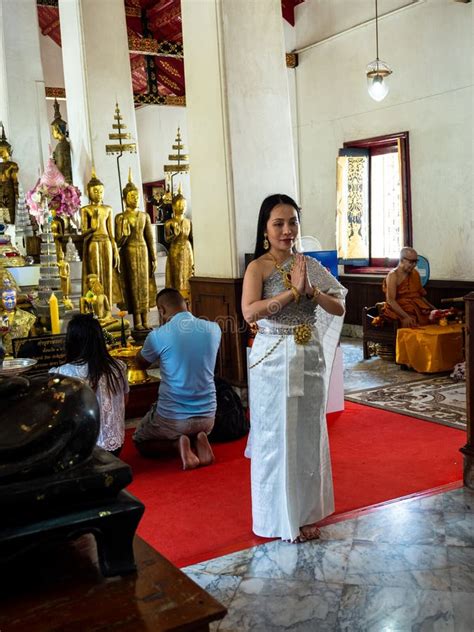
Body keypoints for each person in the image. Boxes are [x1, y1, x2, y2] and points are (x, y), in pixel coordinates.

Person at [241, 193, 346, 544]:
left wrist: (311, 291)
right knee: (276, 437)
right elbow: (250, 313)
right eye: (279, 224)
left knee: (307, 436)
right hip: (273, 358)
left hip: (308, 354)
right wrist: (291, 294)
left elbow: (339, 307)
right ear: (265, 230)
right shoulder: (258, 268)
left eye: (292, 222)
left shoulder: (308, 264)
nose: (287, 230)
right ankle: (276, 519)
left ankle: (304, 515)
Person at [133, 288, 221, 471]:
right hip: (208, 416)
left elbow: (140, 364)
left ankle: (178, 444)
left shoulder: (158, 336)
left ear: (161, 311)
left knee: (140, 440)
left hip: (173, 417)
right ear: (186, 305)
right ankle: (198, 440)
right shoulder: (214, 329)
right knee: (193, 427)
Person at [49, 313, 129, 456]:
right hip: (115, 445)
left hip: (84, 450)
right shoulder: (119, 367)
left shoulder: (63, 373)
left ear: (71, 342)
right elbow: (125, 400)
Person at [115, 170, 157, 330]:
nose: (135, 198)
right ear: (124, 198)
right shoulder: (120, 217)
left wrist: (153, 258)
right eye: (131, 196)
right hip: (129, 253)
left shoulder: (144, 216)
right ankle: (137, 321)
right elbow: (117, 241)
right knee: (132, 286)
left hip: (143, 251)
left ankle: (146, 319)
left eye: (137, 195)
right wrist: (124, 234)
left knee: (144, 285)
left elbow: (150, 238)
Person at [81, 169, 120, 309]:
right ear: (88, 192)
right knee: (94, 275)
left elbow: (111, 233)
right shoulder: (85, 210)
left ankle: (107, 307)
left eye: (100, 191)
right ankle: (95, 307)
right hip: (93, 242)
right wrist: (92, 227)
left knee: (108, 274)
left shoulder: (108, 209)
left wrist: (115, 250)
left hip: (107, 242)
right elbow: (83, 233)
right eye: (95, 191)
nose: (98, 194)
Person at [381, 247, 434, 327]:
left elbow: (420, 296)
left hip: (416, 308)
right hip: (399, 311)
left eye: (416, 262)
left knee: (434, 319)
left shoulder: (415, 273)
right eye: (411, 262)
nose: (414, 265)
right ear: (402, 260)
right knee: (411, 323)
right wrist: (406, 317)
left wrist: (433, 308)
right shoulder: (393, 275)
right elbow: (391, 300)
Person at [164, 184, 194, 301]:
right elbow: (167, 239)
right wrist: (174, 235)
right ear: (173, 206)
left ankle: (188, 297)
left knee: (187, 275)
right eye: (179, 204)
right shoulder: (169, 222)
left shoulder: (188, 222)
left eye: (184, 205)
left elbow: (191, 238)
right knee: (176, 276)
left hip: (187, 249)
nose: (182, 207)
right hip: (175, 250)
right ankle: (177, 297)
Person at [0, 124, 19, 224]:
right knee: (2, 216)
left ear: (8, 150)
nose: (1, 153)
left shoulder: (12, 165)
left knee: (10, 214)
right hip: (1, 191)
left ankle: (10, 230)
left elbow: (15, 181)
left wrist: (17, 193)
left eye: (2, 150)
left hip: (9, 191)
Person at [51, 99, 73, 185]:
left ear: (57, 130)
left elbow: (60, 166)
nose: (52, 133)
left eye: (53, 130)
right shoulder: (64, 144)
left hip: (65, 179)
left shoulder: (60, 146)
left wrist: (53, 164)